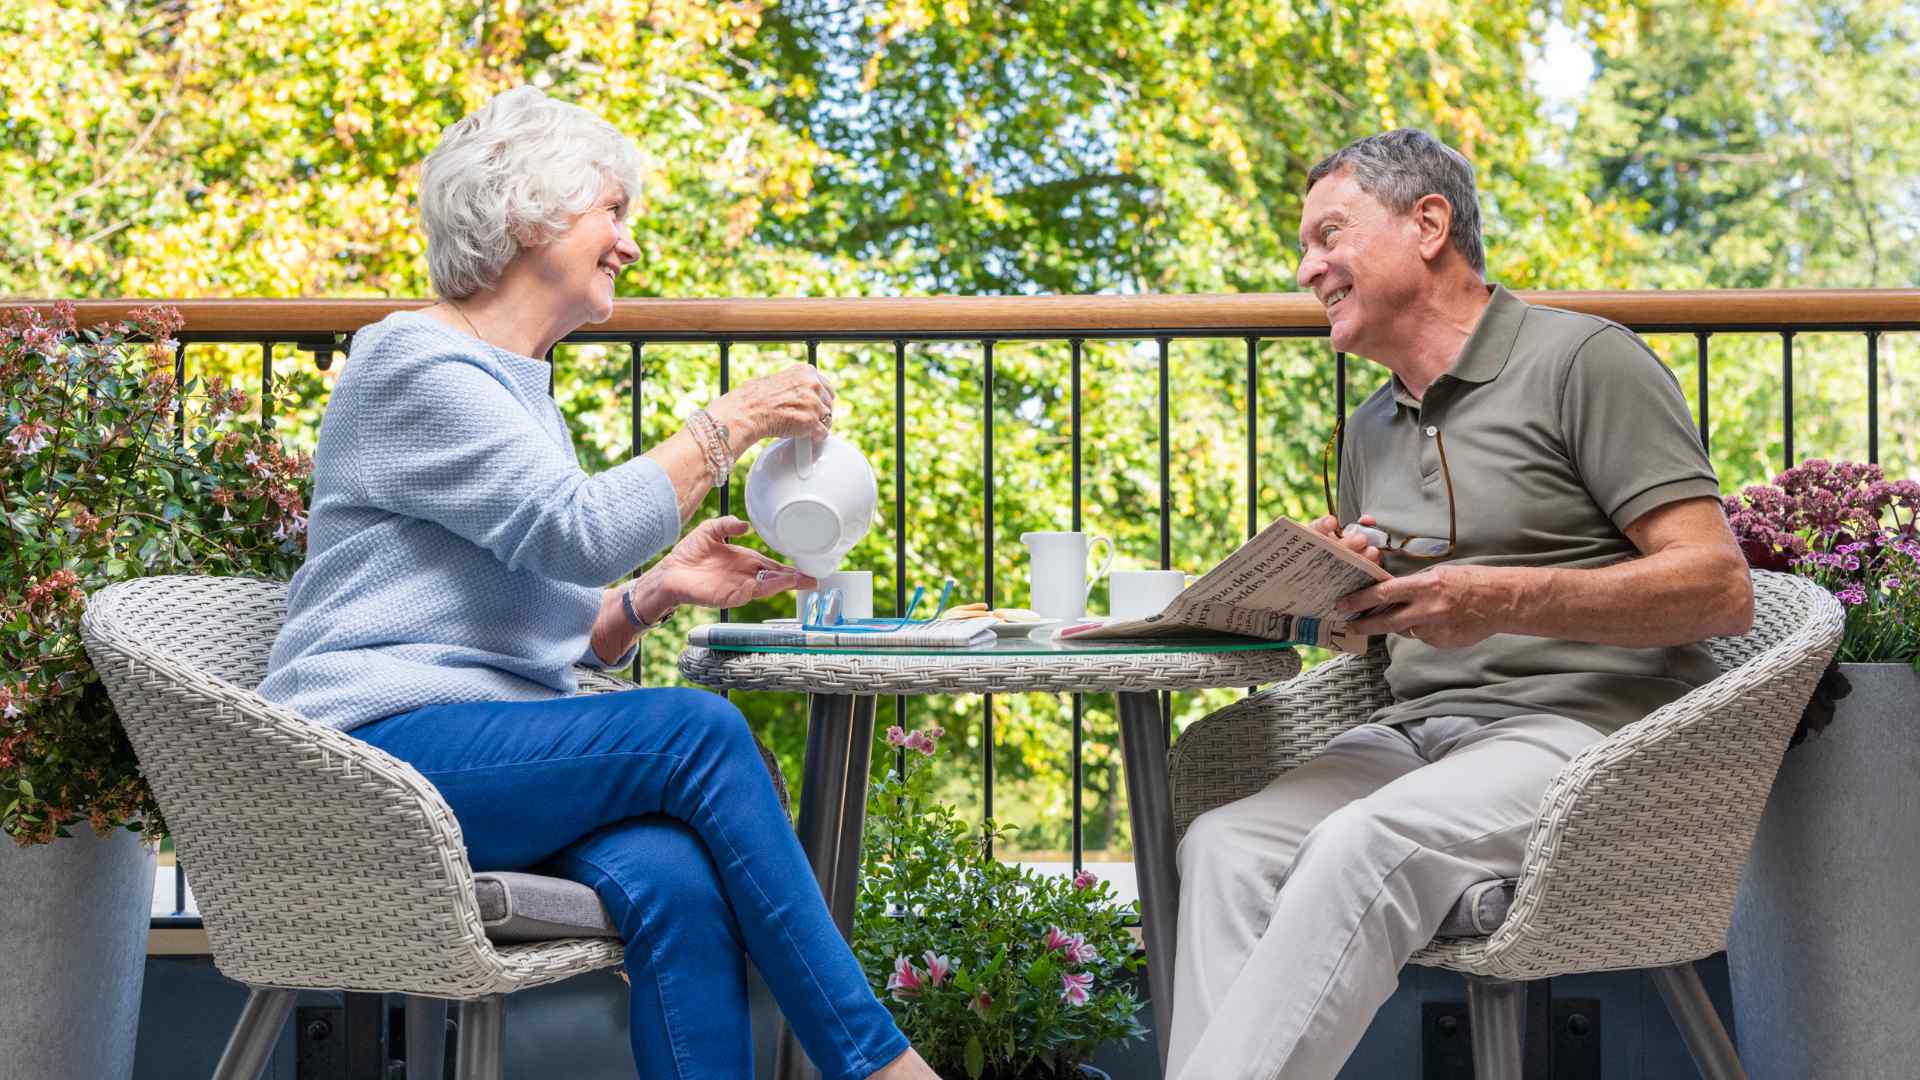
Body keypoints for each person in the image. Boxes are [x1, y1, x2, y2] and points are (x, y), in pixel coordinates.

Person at [258, 86, 939, 1080]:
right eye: (612, 212)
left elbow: (532, 621)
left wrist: (653, 595)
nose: (628, 245)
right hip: (369, 760)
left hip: (469, 752)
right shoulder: (413, 359)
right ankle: (878, 1064)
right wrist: (732, 423)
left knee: (674, 879)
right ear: (530, 215)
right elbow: (574, 532)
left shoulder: (516, 387)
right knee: (691, 729)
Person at [1166, 129, 1754, 1079]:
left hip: (1583, 740)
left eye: (1329, 235)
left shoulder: (1585, 363)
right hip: (1413, 735)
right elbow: (1385, 650)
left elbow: (1718, 588)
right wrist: (1341, 606)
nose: (1307, 268)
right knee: (1228, 843)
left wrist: (1499, 596)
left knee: (1363, 844)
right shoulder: (1369, 426)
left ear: (1428, 223)